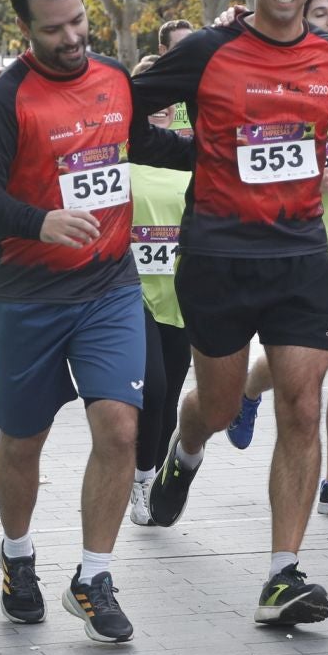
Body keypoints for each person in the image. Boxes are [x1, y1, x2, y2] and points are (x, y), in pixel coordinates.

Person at [132, 0, 328, 626]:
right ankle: (186, 449)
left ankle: (283, 576)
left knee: (301, 406)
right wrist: (192, 151)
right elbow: (119, 107)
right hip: (217, 257)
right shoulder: (211, 52)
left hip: (302, 256)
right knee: (216, 404)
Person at [0, 0, 192, 644]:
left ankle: (94, 578)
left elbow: (140, 142)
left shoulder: (116, 77)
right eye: (54, 29)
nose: (72, 38)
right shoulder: (10, 99)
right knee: (24, 440)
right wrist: (38, 221)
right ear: (26, 29)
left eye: (79, 21)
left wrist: (214, 152)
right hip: (29, 295)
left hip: (108, 285)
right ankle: (19, 554)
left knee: (120, 426)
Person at [228, 0, 328, 520]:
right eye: (322, 13)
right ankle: (248, 390)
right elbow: (260, 168)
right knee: (303, 362)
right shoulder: (293, 88)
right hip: (298, 241)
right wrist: (312, 181)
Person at [126, 55, 194, 528]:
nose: (158, 109)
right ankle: (141, 477)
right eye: (149, 100)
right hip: (130, 292)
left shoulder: (190, 156)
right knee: (150, 387)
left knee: (169, 395)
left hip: (182, 293)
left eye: (166, 103)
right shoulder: (115, 155)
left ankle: (157, 468)